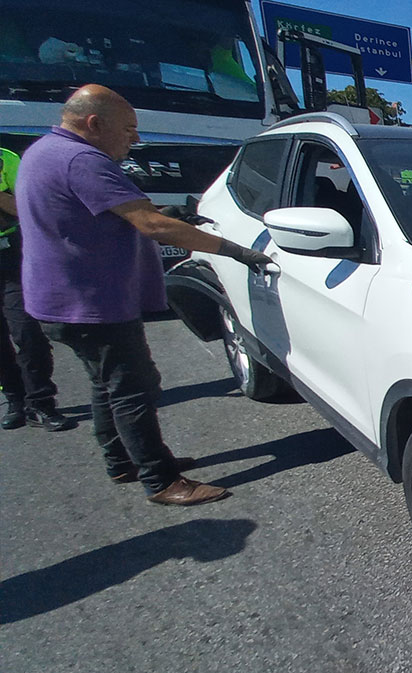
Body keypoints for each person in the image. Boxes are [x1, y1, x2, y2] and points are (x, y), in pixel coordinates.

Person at [16, 85, 273, 506]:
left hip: (59, 298)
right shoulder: (84, 159)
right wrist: (236, 251)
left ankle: (120, 461)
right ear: (94, 123)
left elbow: (96, 211)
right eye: (129, 129)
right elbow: (152, 227)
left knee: (105, 386)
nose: (135, 139)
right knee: (132, 388)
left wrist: (160, 212)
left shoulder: (44, 151)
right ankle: (162, 480)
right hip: (92, 302)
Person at [0, 146, 71, 431]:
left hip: (10, 255)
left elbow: (24, 207)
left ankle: (41, 402)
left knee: (28, 332)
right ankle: (15, 399)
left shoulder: (6, 158)